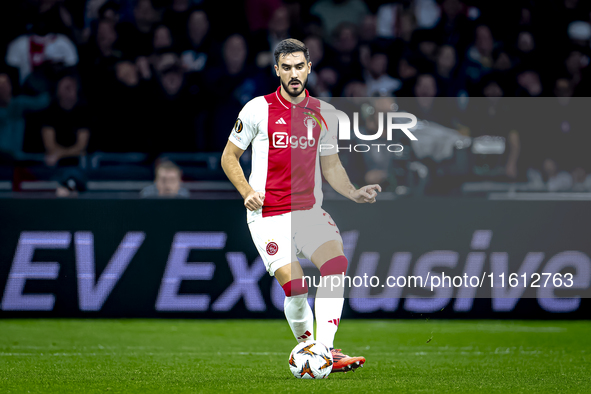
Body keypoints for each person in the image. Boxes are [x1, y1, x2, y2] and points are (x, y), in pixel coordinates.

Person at [221, 38, 380, 373]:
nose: (294, 73)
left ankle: (324, 350)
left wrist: (352, 192)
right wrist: (246, 190)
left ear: (309, 68)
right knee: (296, 287)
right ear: (277, 70)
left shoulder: (325, 114)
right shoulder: (256, 109)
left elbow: (332, 166)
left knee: (336, 264)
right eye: (287, 67)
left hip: (308, 211)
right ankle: (312, 346)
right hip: (267, 213)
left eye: (299, 66)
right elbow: (229, 157)